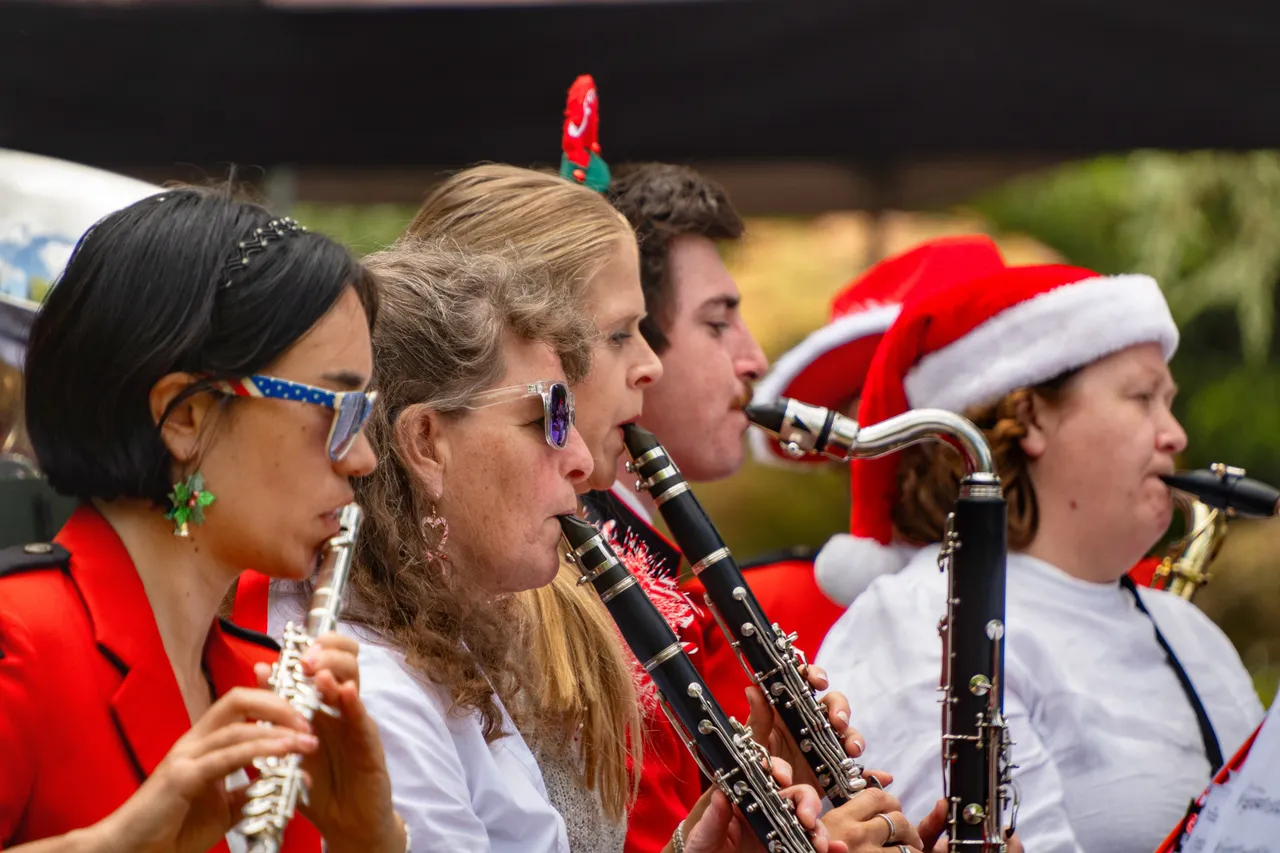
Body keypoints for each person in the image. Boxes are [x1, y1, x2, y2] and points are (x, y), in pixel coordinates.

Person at [239, 241, 844, 853]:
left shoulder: (439, 646)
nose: (580, 459)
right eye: (549, 418)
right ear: (425, 442)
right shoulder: (375, 694)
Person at [0, 187, 407, 852]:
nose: (362, 458)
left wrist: (371, 840)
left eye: (367, 413)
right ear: (185, 415)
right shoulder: (19, 642)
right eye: (338, 409)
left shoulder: (260, 676)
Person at [814, 263, 1265, 852]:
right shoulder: (915, 619)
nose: (1175, 435)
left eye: (1169, 401)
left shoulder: (1190, 631)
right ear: (1029, 417)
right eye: (1143, 397)